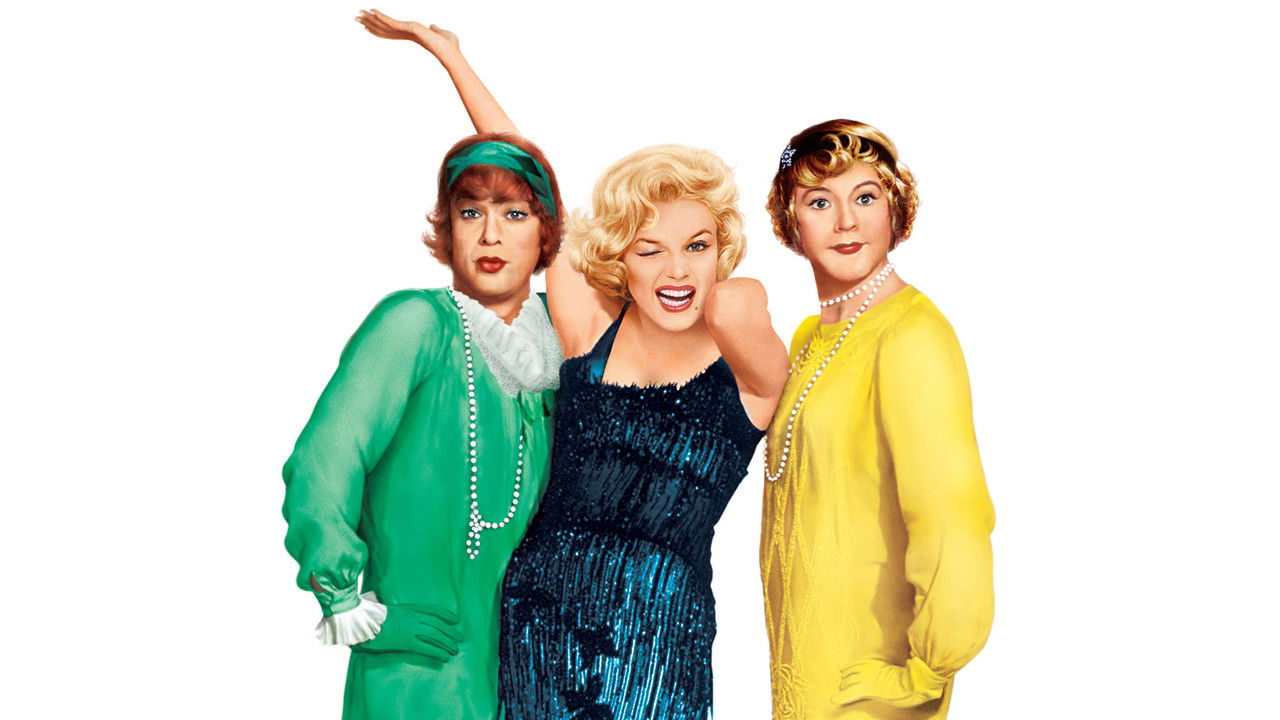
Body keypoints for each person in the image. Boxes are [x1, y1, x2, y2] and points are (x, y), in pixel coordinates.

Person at [354, 10, 789, 719]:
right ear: (619, 258)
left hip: (658, 645)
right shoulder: (590, 330)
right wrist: (449, 55)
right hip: (539, 621)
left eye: (697, 246)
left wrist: (719, 279)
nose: (677, 271)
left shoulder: (748, 371)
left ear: (724, 250)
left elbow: (739, 303)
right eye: (650, 249)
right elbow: (530, 178)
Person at [281, 124, 566, 717]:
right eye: (470, 212)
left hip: (527, 672)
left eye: (514, 214)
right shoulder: (415, 323)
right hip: (418, 668)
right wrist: (349, 606)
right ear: (447, 227)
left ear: (546, 232)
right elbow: (324, 460)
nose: (490, 235)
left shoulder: (561, 342)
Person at [759, 119, 995, 720]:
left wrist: (923, 673)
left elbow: (953, 519)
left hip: (871, 687)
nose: (846, 221)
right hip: (805, 673)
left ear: (895, 208)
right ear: (791, 220)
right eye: (819, 201)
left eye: (865, 197)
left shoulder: (911, 336)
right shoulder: (809, 339)